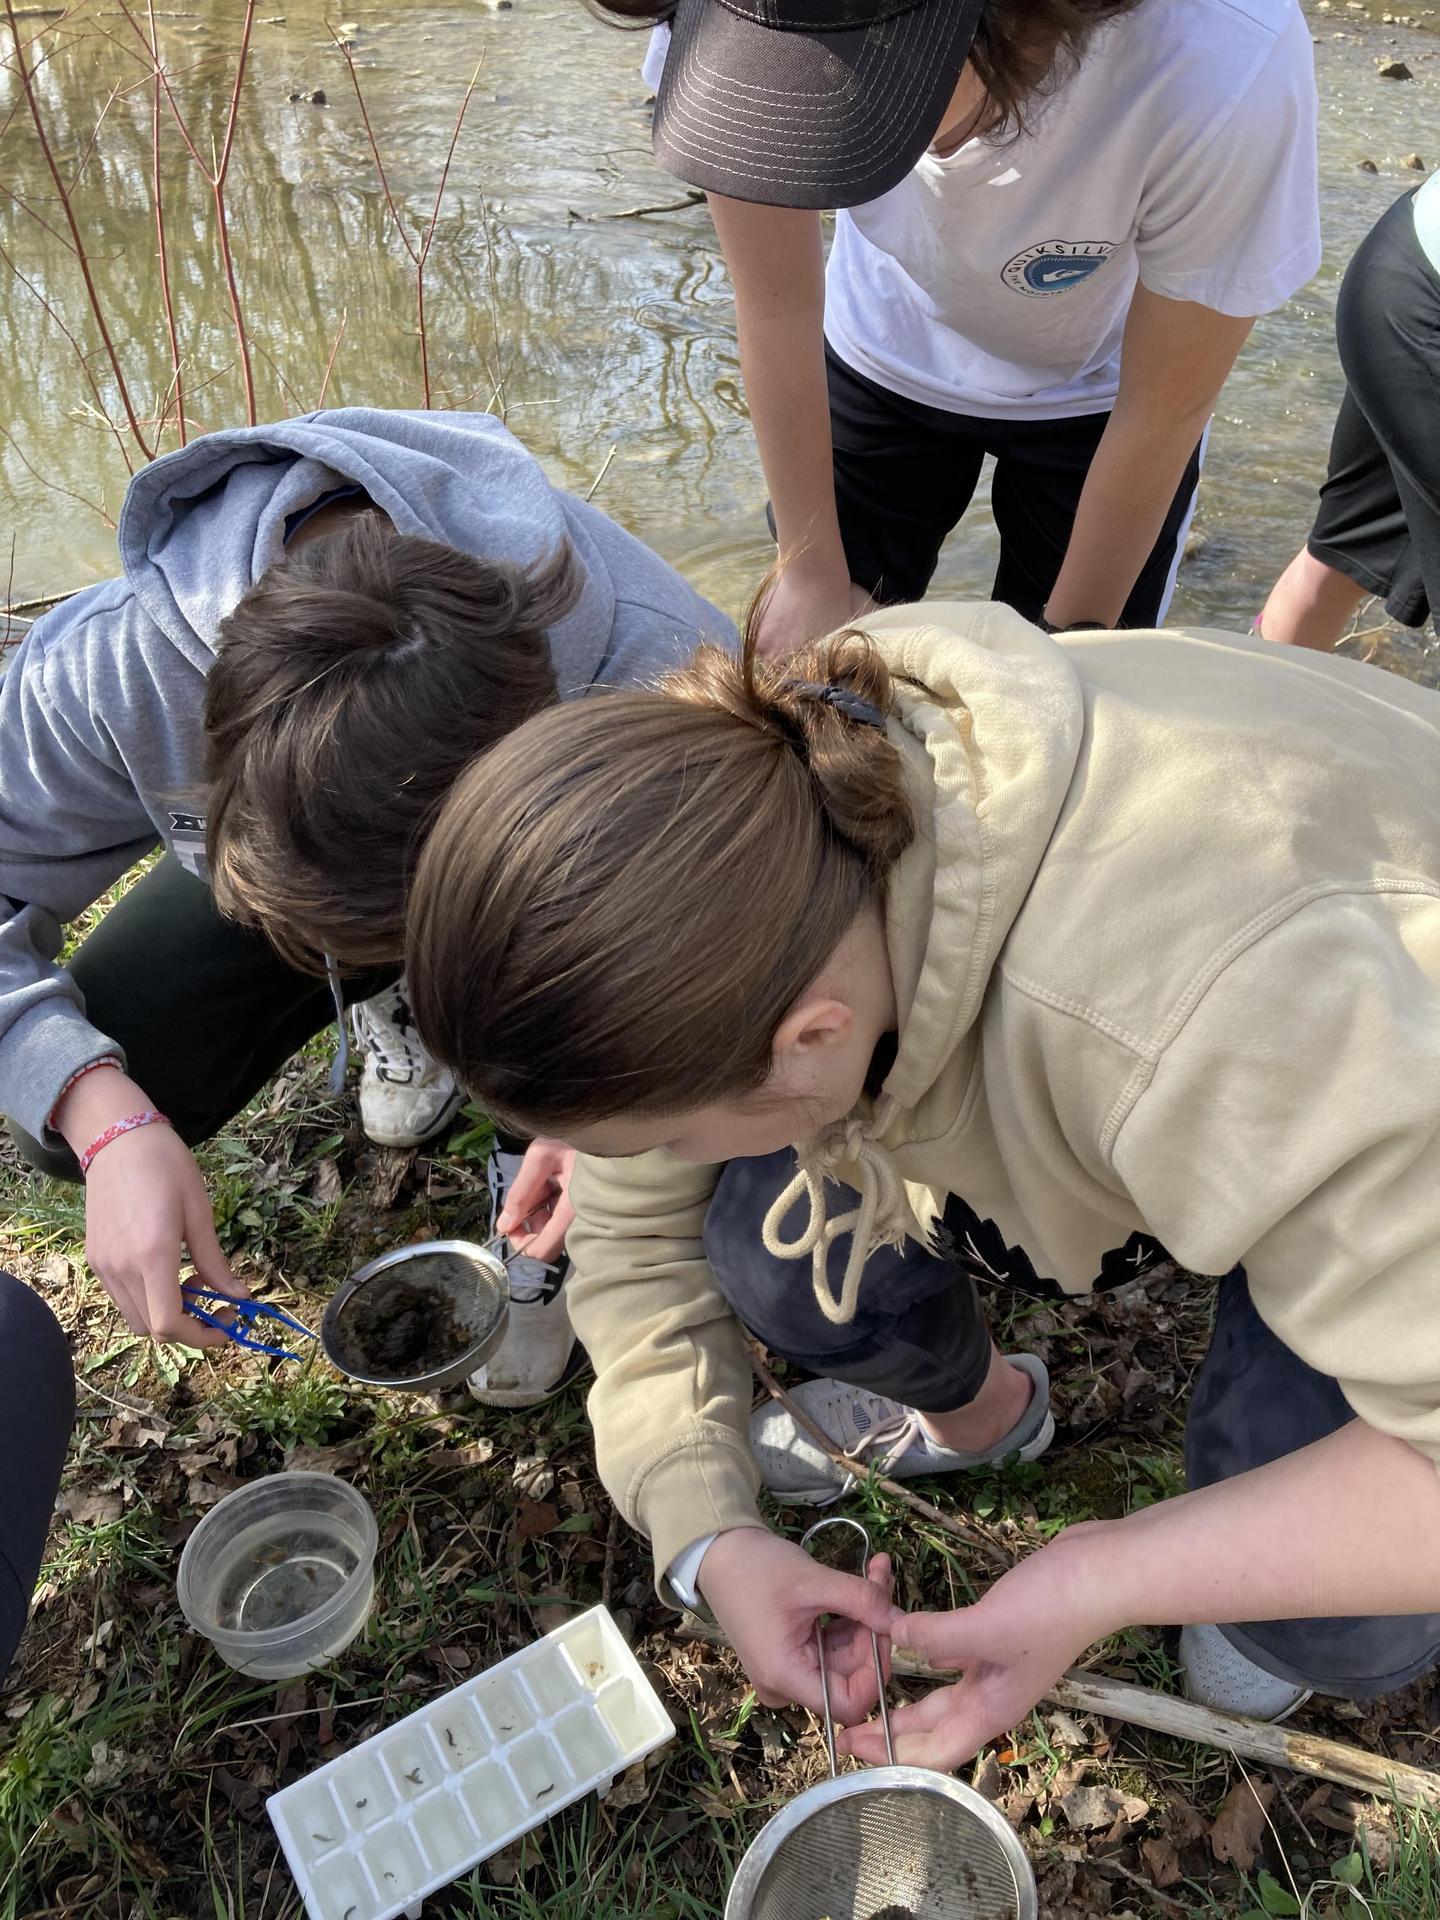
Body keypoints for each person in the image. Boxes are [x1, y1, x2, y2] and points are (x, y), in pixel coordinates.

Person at [403, 599, 1440, 1744]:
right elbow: (638, 1233)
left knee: (1340, 1599)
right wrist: (712, 1537)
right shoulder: (771, 814)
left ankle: (1289, 1615)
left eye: (651, 1138)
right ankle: (984, 1417)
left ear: (809, 1038)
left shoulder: (1201, 1028)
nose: (625, 1173)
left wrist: (1107, 1574)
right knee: (766, 1245)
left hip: (1382, 1062)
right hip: (1268, 1076)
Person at [1, 407, 731, 1402]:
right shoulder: (110, 674)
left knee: (629, 1076)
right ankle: (392, 1004)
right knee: (68, 1098)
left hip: (570, 895)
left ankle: (533, 1170)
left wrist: (603, 1111)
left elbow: (742, 943)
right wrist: (101, 1117)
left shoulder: (664, 678)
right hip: (302, 874)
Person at [592, 0, 1319, 651]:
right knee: (807, 669)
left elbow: (1164, 410)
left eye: (860, 102)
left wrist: (1066, 653)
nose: (826, 123)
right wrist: (809, 572)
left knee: (1078, 687)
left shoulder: (1225, 64)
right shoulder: (726, 27)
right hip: (875, 346)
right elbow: (775, 304)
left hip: (1102, 393)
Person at [1260, 172, 1440, 650]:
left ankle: (1246, 711)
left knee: (1346, 547)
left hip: (1405, 259)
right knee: (1343, 548)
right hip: (1420, 302)